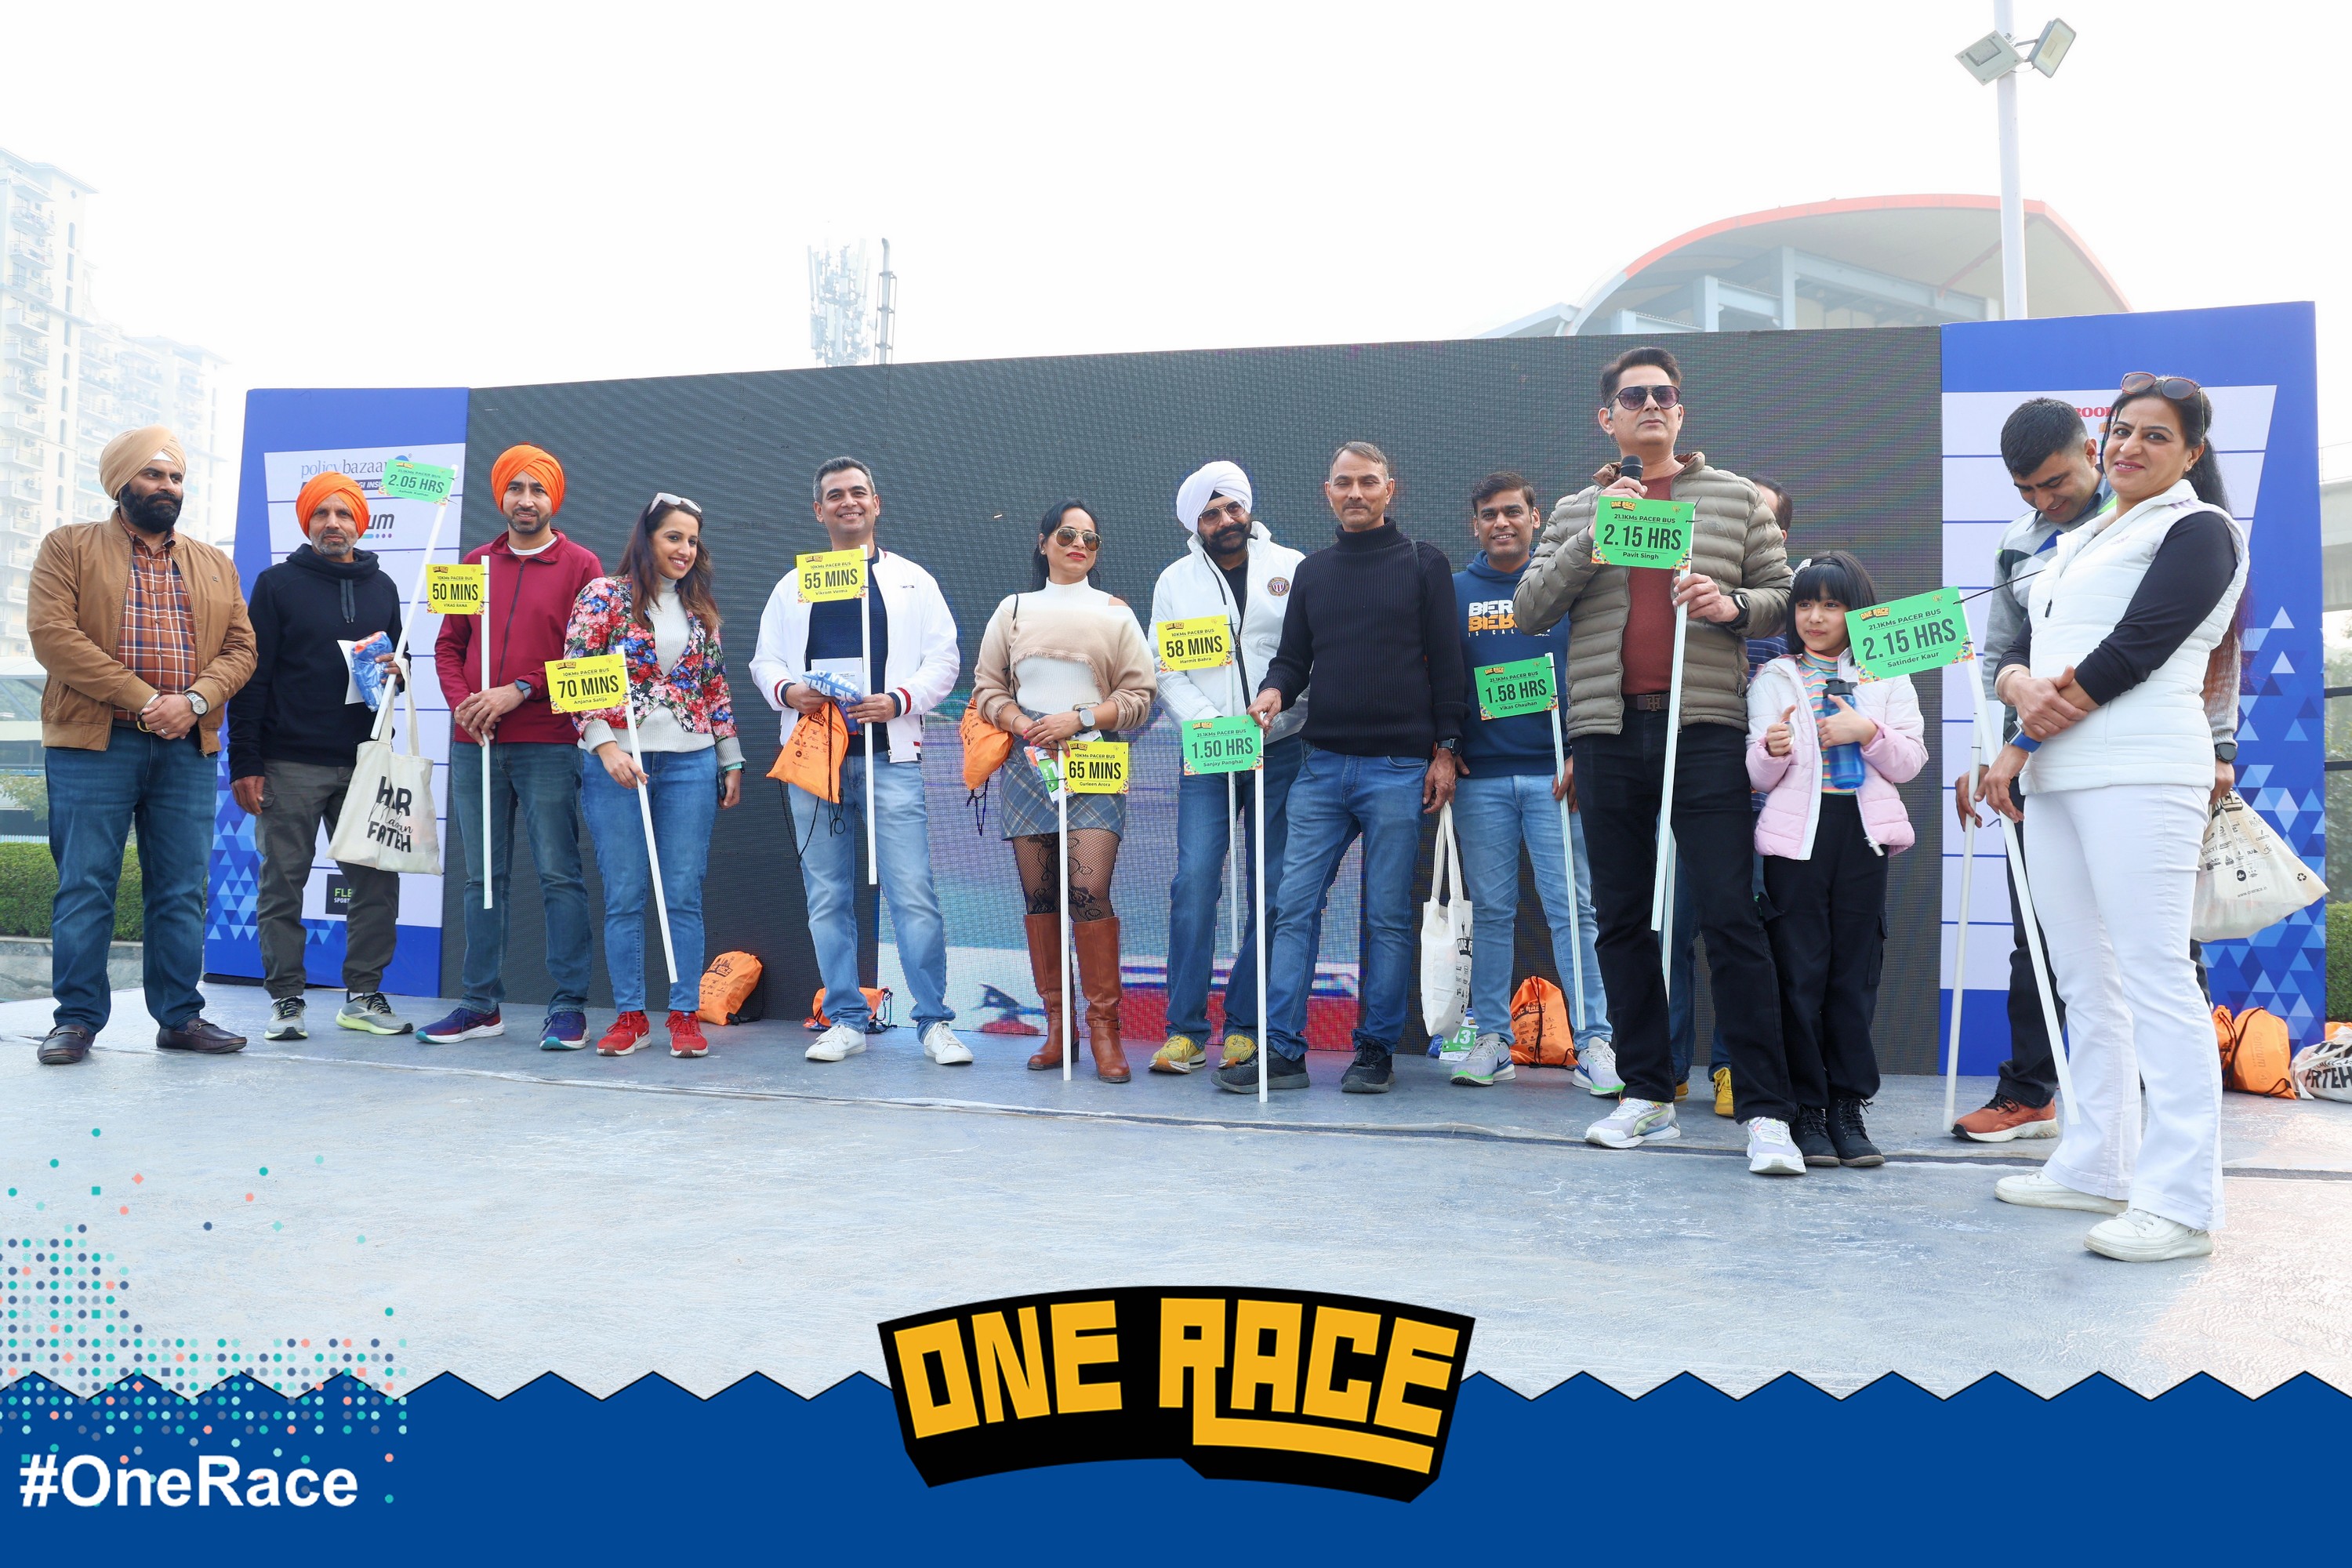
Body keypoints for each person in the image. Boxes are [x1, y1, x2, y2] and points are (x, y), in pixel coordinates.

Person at [1514, 346, 1803, 1175]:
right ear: (1607, 417)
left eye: (1664, 394)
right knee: (1622, 918)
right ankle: (1647, 1093)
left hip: (1704, 726)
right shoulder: (1578, 508)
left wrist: (1730, 604)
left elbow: (1783, 596)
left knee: (1730, 916)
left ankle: (1766, 1111)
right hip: (1606, 732)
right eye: (1633, 395)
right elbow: (1531, 609)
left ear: (1681, 412)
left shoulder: (1734, 497)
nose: (1651, 404)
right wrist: (1591, 539)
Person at [1980, 373, 2249, 1262]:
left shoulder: (2199, 529)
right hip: (2061, 776)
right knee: (2083, 978)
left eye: (2156, 436)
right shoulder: (2079, 538)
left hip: (2143, 770)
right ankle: (2098, 1162)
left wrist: (2025, 734)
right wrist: (2016, 697)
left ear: (2193, 453)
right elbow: (2027, 649)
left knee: (2155, 977)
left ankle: (2180, 1203)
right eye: (2123, 431)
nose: (2131, 446)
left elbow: (2133, 650)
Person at [1229, 442, 1467, 1096]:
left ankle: (1375, 1051)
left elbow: (1449, 663)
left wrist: (1446, 750)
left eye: (1368, 482)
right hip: (1321, 768)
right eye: (1344, 483)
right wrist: (1274, 690)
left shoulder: (1423, 562)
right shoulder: (1314, 571)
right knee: (1292, 909)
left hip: (1398, 769)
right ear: (1327, 492)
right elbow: (1292, 660)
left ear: (1391, 489)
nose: (1355, 492)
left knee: (1386, 919)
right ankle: (1282, 1052)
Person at [27, 424, 256, 1065]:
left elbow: (242, 648)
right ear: (121, 482)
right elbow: (53, 636)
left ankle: (180, 1017)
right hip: (93, 745)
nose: (167, 487)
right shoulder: (68, 547)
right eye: (154, 474)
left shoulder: (214, 563)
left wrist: (195, 702)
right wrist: (146, 699)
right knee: (85, 885)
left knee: (181, 889)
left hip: (187, 745)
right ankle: (76, 1020)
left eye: (176, 477)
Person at [750, 456, 967, 1066]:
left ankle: (933, 1021)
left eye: (858, 492)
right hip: (816, 760)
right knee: (827, 895)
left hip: (889, 757)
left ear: (876, 503)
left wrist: (899, 700)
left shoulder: (912, 581)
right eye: (835, 495)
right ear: (818, 511)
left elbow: (944, 659)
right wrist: (789, 691)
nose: (848, 502)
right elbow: (765, 661)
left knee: (912, 892)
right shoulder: (794, 585)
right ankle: (845, 1017)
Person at [1948, 398, 2108, 1140]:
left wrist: (2219, 749)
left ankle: (2151, 1109)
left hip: (2129, 756)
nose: (2045, 501)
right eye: (2027, 490)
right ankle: (2029, 1094)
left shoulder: (2148, 520)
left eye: (2055, 483)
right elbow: (2000, 655)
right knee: (2036, 936)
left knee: (2157, 942)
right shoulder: (2017, 543)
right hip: (2032, 764)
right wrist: (1986, 754)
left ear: (2091, 450)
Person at [1745, 551, 1925, 1167]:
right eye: (1804, 604)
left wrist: (1866, 733)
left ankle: (1848, 1106)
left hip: (1861, 838)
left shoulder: (1885, 673)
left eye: (1830, 604)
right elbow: (1756, 774)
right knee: (1799, 975)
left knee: (1853, 975)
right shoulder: (1774, 676)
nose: (1815, 617)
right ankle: (1806, 1110)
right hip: (1796, 844)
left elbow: (1910, 762)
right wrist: (1771, 750)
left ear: (1856, 611)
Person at [423, 444, 604, 1050]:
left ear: (555, 498)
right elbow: (447, 647)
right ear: (500, 494)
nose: (526, 500)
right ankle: (480, 1005)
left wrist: (518, 689)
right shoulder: (472, 563)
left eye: (538, 489)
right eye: (516, 488)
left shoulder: (582, 566)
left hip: (548, 740)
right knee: (482, 879)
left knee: (559, 874)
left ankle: (569, 1006)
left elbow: (592, 659)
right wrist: (464, 705)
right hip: (474, 742)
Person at [969, 502, 1157, 1081]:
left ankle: (1105, 1029)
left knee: (1089, 889)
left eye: (1091, 539)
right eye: (1068, 535)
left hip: (1096, 759)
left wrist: (1079, 718)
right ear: (1044, 542)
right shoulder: (1013, 609)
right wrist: (1024, 725)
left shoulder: (1115, 612)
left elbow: (1141, 697)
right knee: (1041, 897)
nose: (1079, 545)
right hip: (1029, 763)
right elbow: (986, 688)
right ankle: (1059, 1028)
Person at [229, 470, 412, 1042]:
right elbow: (252, 677)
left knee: (376, 886)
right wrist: (245, 762)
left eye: (344, 513)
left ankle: (363, 995)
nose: (333, 523)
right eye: (321, 514)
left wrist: (400, 672)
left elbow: (396, 669)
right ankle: (286, 999)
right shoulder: (276, 584)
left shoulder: (384, 586)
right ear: (306, 521)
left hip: (366, 761)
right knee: (282, 884)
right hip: (289, 762)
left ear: (361, 522)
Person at [1446, 470, 1613, 1090]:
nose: (1501, 523)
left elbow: (1599, 667)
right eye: (1489, 514)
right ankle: (1492, 1038)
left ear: (1535, 519)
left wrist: (1581, 750)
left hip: (1556, 778)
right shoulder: (1454, 592)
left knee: (1574, 911)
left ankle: (1595, 1041)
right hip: (1481, 782)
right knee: (1491, 913)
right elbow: (1439, 678)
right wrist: (1445, 746)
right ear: (1475, 525)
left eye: (1512, 512)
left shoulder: (1564, 584)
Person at [564, 495, 744, 1060]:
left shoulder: (700, 608)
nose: (685, 549)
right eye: (674, 537)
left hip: (691, 762)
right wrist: (605, 748)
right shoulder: (603, 595)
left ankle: (684, 1014)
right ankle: (631, 1016)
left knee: (683, 893)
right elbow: (575, 675)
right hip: (619, 765)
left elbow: (715, 687)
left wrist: (730, 758)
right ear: (647, 539)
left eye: (692, 540)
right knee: (624, 894)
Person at [1147, 460, 1308, 1076]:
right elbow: (1165, 668)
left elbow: (1309, 656)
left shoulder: (1292, 567)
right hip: (1209, 750)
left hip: (1282, 747)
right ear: (1197, 524)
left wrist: (1280, 716)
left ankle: (1246, 1026)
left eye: (1232, 508)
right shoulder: (1174, 581)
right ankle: (1185, 1031)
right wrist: (1212, 727)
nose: (1225, 521)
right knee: (1193, 882)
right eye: (1211, 514)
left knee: (1272, 886)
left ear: (1247, 508)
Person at [1670, 476, 1794, 1116]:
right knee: (1671, 931)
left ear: (1778, 536)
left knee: (1740, 934)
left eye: (1760, 520)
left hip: (1765, 803)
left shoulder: (1797, 612)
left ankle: (1731, 1068)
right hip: (1690, 787)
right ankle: (1665, 1070)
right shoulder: (1688, 594)